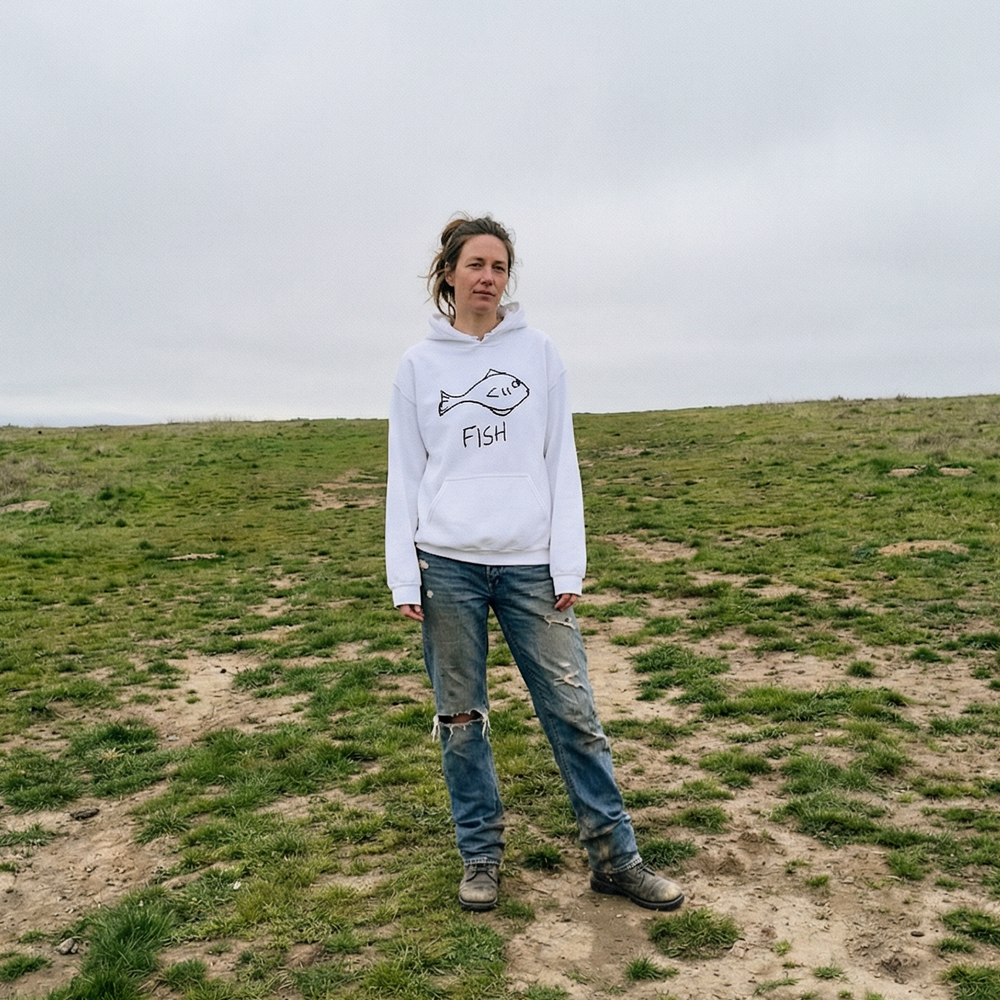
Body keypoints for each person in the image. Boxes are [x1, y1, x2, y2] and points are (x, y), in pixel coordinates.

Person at [385, 215, 684, 913]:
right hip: (447, 565)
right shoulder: (418, 366)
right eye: (475, 265)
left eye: (498, 266)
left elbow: (561, 462)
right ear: (449, 273)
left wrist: (568, 567)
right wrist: (406, 573)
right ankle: (480, 857)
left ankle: (616, 859)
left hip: (531, 568)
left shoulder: (540, 354)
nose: (487, 277)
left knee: (573, 713)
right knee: (461, 721)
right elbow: (404, 474)